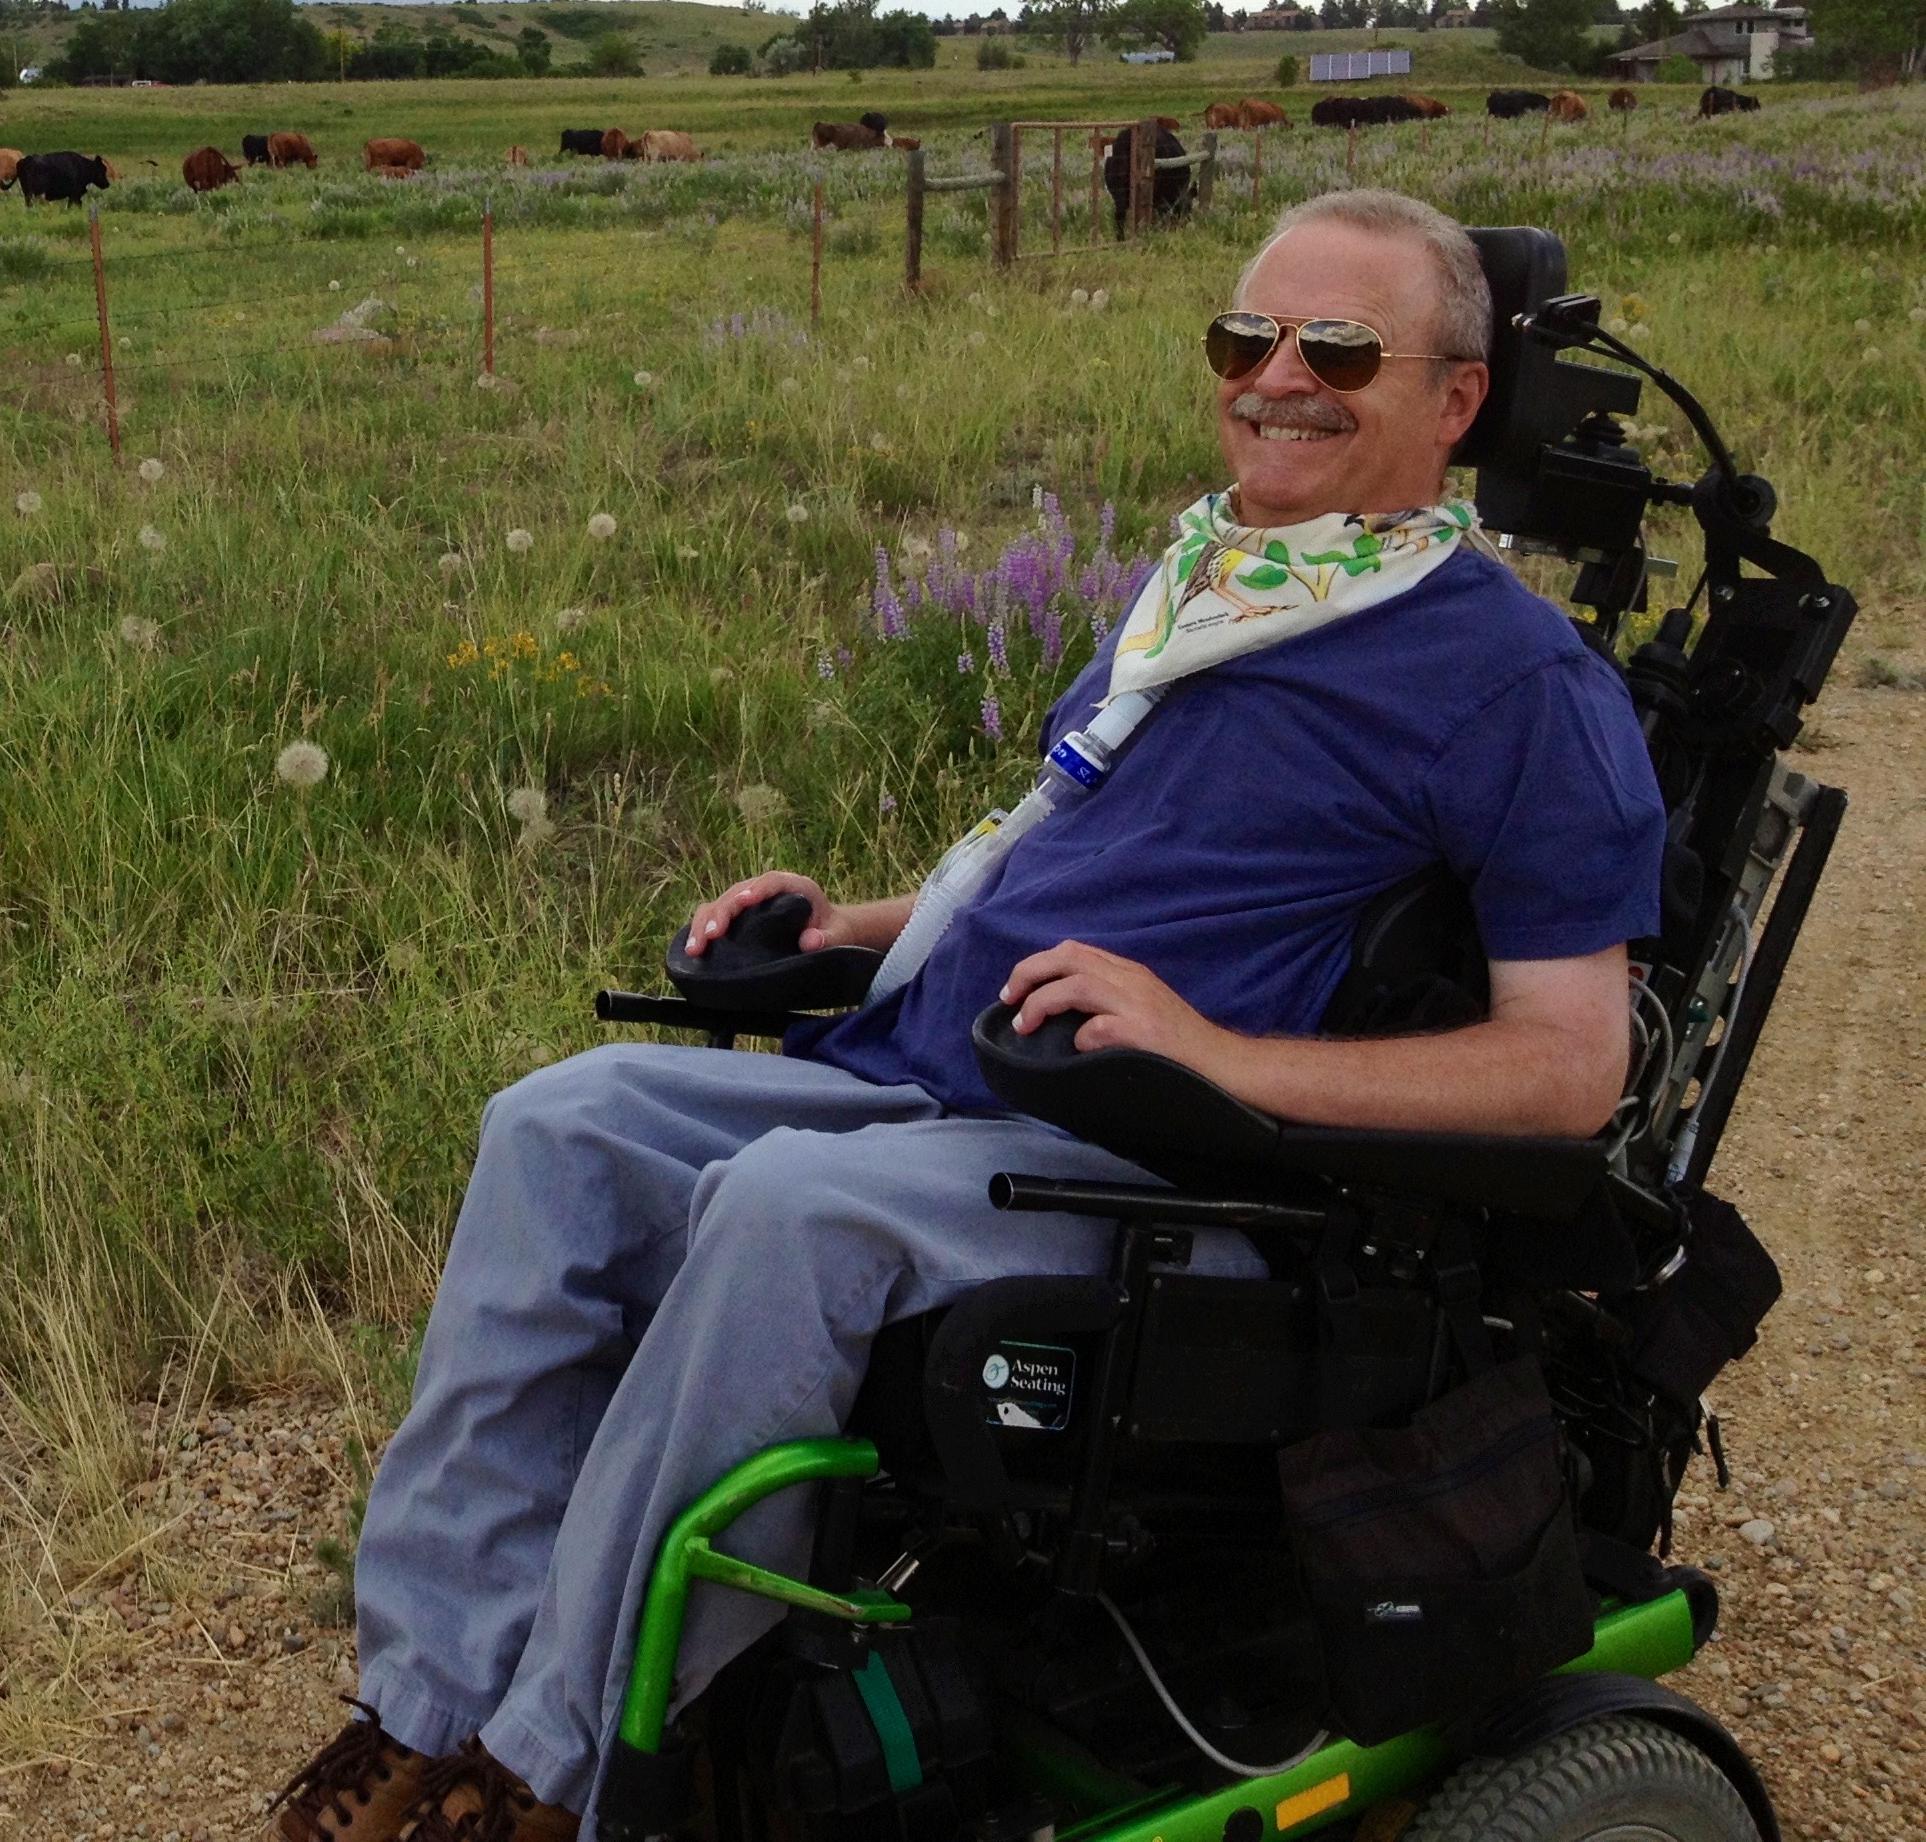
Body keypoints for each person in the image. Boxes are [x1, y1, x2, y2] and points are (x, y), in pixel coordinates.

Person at [269, 191, 1666, 1842]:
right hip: (952, 1077)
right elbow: (1073, 844)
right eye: (1250, 337)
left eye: (1340, 348)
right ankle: (426, 1711)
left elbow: (1575, 1065)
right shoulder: (1218, 583)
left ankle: (555, 1774)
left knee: (788, 1212)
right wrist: (860, 926)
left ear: (1454, 400)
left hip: (1169, 1169)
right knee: (558, 1124)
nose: (1279, 376)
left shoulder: (1514, 686)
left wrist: (1212, 1051)